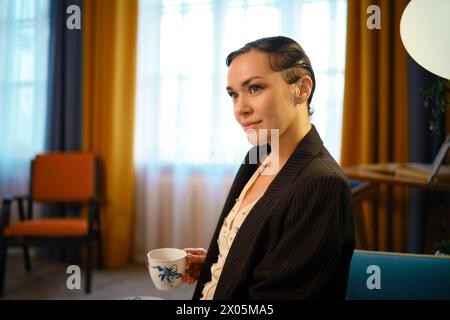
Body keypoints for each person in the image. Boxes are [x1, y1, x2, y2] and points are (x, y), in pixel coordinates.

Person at [183, 36, 355, 300]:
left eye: (254, 88)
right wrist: (219, 267)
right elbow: (263, 250)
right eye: (233, 94)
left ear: (301, 88)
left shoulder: (322, 184)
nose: (240, 109)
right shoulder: (258, 157)